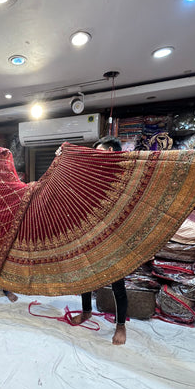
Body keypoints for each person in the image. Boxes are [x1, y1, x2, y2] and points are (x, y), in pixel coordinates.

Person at [70, 136, 128, 345]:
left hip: (114, 235)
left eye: (100, 151)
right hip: (91, 232)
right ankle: (87, 312)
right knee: (85, 275)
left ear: (111, 151)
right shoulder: (93, 175)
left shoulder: (126, 170)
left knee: (117, 283)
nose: (95, 156)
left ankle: (121, 325)